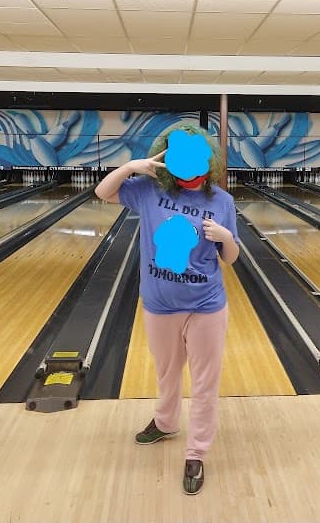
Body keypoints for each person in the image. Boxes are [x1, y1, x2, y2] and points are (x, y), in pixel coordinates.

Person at [94, 122, 239, 495]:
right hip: (159, 304)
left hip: (206, 305)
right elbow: (103, 192)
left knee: (205, 383)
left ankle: (197, 452)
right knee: (167, 373)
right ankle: (165, 422)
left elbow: (232, 258)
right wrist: (130, 167)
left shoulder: (222, 201)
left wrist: (226, 239)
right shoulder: (146, 191)